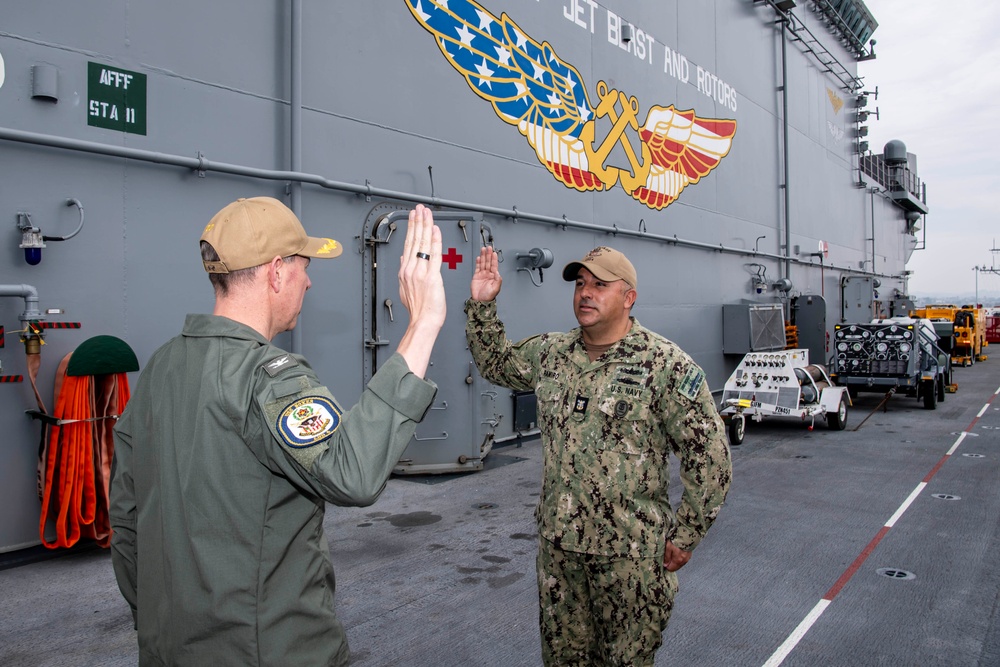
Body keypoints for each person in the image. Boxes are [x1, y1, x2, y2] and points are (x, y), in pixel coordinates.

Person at [109, 197, 446, 666]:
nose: (308, 281)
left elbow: (126, 520)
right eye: (305, 268)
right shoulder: (269, 377)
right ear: (276, 272)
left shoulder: (162, 366)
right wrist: (424, 322)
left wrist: (158, 621)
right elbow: (352, 472)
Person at [465, 245, 732, 666]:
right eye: (580, 284)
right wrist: (483, 306)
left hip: (632, 561)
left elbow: (710, 460)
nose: (585, 293)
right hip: (560, 554)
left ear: (628, 297)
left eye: (600, 285)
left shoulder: (665, 365)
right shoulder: (552, 353)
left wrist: (685, 536)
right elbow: (496, 363)